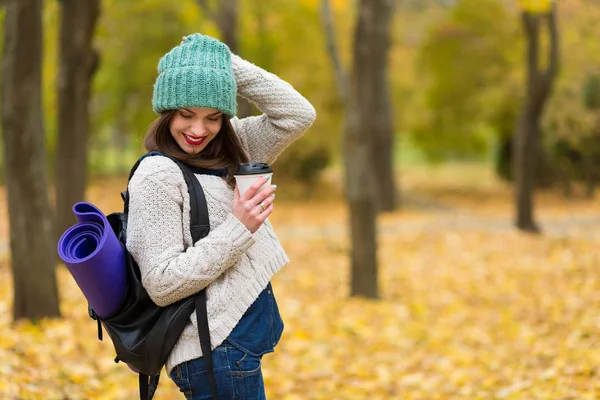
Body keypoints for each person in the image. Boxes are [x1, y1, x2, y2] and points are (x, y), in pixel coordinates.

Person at [125, 33, 316, 400]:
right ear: (167, 110)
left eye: (213, 117)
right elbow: (162, 282)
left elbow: (297, 115)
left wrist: (226, 66)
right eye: (186, 114)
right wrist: (239, 227)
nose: (198, 130)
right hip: (212, 351)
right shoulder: (157, 176)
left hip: (234, 349)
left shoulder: (233, 148)